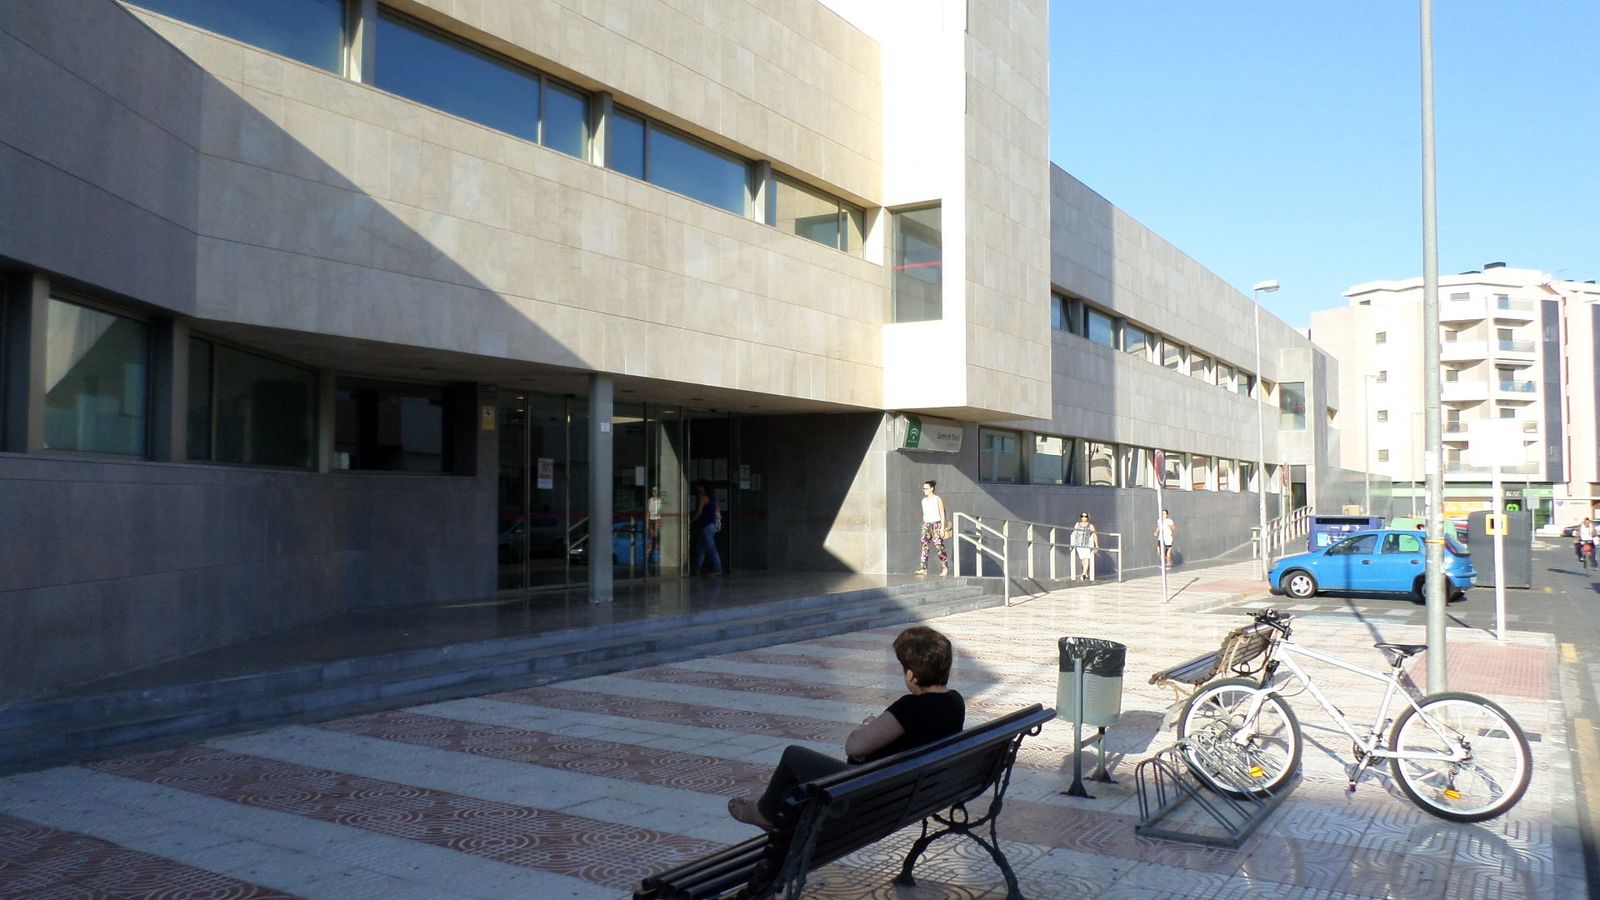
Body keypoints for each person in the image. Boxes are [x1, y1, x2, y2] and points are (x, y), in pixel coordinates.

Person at [727, 626, 965, 831]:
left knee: (794, 756)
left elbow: (853, 747)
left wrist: (861, 730)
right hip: (915, 794)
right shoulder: (955, 702)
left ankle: (762, 814)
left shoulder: (912, 707)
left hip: (872, 797)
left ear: (912, 675)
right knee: (795, 786)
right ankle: (778, 823)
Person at [917, 480, 950, 577]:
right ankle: (923, 568)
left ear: (931, 489)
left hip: (937, 524)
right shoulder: (923, 501)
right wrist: (924, 525)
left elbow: (942, 513)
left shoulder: (937, 499)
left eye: (926, 488)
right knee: (924, 546)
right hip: (927, 524)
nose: (924, 490)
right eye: (923, 488)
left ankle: (945, 567)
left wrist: (942, 528)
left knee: (939, 546)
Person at [691, 481, 722, 576]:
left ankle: (718, 569)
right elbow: (718, 509)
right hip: (712, 526)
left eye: (699, 487)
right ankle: (696, 569)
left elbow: (699, 512)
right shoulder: (713, 498)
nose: (698, 489)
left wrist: (691, 521)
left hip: (706, 526)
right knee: (701, 548)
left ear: (703, 488)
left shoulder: (702, 498)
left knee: (711, 548)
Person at [1070, 512, 1099, 579]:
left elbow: (1094, 535)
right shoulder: (1077, 524)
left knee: (1086, 558)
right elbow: (1074, 534)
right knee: (1082, 559)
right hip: (1078, 544)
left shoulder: (1090, 526)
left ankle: (1083, 574)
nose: (1084, 517)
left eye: (1086, 516)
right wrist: (1072, 544)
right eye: (1082, 516)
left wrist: (1096, 545)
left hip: (1086, 545)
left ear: (1088, 517)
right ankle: (1085, 573)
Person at [645, 485, 662, 566]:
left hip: (659, 522)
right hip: (651, 522)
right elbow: (647, 513)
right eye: (653, 491)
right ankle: (648, 561)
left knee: (658, 543)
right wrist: (648, 524)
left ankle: (660, 560)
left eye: (656, 491)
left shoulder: (661, 501)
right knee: (650, 543)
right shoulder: (650, 500)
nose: (655, 492)